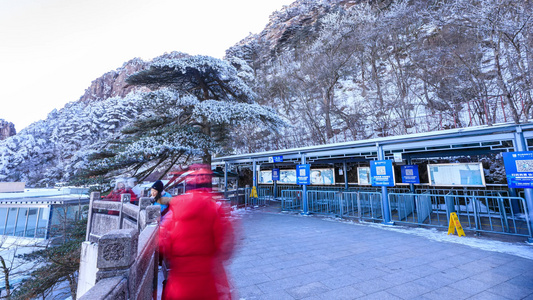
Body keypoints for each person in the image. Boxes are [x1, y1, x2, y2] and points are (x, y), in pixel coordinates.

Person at [159, 166, 236, 300]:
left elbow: (162, 240)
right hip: (208, 280)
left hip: (180, 282)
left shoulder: (175, 209)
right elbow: (226, 244)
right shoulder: (216, 209)